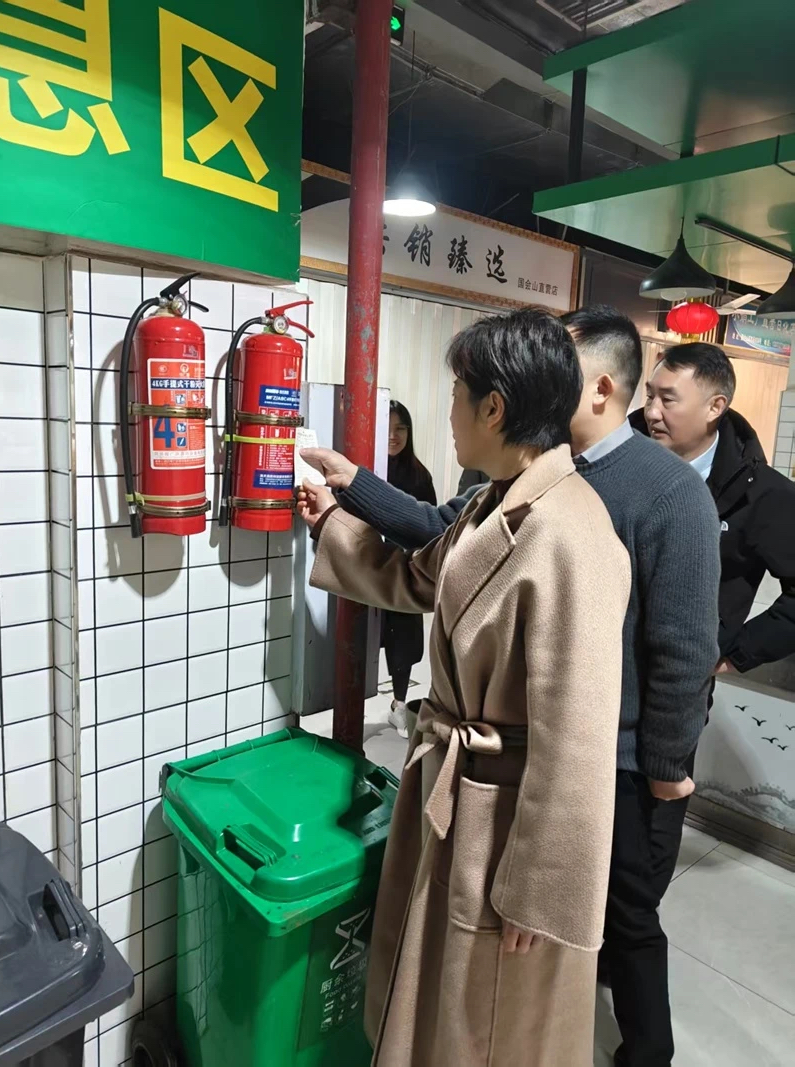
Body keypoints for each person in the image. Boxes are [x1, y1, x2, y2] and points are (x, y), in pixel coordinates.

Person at [302, 304, 722, 1067]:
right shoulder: (494, 498)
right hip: (462, 793)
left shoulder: (572, 533)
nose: (448, 414)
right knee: (443, 999)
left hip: (507, 818)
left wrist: (540, 886)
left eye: (456, 396)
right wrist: (334, 518)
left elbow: (579, 733)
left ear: (493, 408)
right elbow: (417, 577)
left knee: (488, 1024)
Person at [636, 341, 795, 672]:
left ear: (715, 407)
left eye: (668, 400)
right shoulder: (620, 456)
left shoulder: (762, 494)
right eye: (650, 396)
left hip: (680, 678)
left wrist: (734, 657)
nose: (652, 412)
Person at [384, 401, 436, 736]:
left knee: (402, 641)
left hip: (403, 569)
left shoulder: (419, 475)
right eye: (387, 429)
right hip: (368, 565)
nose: (394, 436)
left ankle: (399, 705)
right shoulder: (367, 467)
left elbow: (431, 527)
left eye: (400, 428)